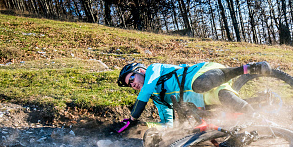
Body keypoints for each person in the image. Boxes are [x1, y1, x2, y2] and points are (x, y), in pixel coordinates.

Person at [114, 61, 272, 133]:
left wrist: (132, 118)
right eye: (130, 85)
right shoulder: (158, 98)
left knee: (199, 85)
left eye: (132, 79)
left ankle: (248, 68)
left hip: (205, 73)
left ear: (140, 71)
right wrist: (145, 127)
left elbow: (146, 91)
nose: (132, 85)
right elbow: (168, 124)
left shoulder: (153, 69)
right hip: (205, 98)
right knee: (225, 102)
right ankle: (259, 117)